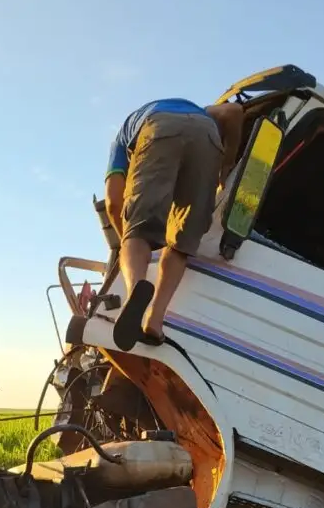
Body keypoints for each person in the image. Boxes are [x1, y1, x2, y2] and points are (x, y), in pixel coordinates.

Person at [104, 97, 244, 350]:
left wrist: (129, 242)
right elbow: (235, 111)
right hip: (207, 137)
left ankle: (135, 291)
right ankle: (154, 321)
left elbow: (113, 203)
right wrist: (227, 163)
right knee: (181, 241)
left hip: (158, 129)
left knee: (138, 231)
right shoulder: (203, 112)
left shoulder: (124, 134)